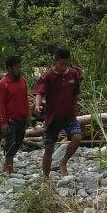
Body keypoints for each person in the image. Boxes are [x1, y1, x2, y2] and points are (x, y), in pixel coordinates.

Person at [33, 47, 84, 181]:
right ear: (55, 62)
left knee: (77, 137)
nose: (64, 67)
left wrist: (75, 106)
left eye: (66, 64)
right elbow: (39, 92)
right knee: (49, 149)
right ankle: (45, 176)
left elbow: (76, 92)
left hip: (69, 116)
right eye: (61, 64)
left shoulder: (73, 74)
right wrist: (38, 104)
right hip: (53, 118)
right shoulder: (48, 76)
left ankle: (63, 162)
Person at [0, 54, 30, 176]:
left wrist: (28, 116)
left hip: (21, 117)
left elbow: (25, 99)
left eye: (20, 67)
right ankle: (9, 168)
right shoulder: (3, 84)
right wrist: (3, 122)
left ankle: (7, 162)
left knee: (19, 141)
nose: (19, 69)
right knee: (10, 142)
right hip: (10, 119)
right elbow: (0, 104)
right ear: (9, 68)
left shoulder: (23, 81)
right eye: (17, 67)